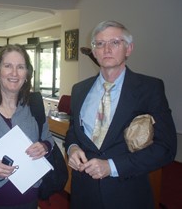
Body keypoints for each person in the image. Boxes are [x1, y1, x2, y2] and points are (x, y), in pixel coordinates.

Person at [65, 20, 177, 209]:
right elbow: (73, 132)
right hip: (84, 193)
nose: (106, 49)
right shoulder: (79, 90)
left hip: (128, 194)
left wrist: (112, 166)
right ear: (94, 50)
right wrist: (73, 148)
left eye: (115, 42)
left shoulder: (149, 89)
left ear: (129, 48)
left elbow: (165, 148)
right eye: (100, 44)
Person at [0, 44, 54, 209]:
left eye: (20, 67)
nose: (14, 73)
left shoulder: (35, 107)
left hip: (27, 200)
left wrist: (44, 147)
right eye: (8, 66)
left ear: (27, 74)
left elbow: (48, 139)